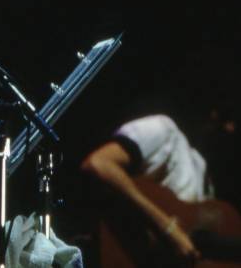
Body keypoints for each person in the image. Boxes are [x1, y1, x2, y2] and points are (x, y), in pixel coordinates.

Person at [81, 111, 238, 262]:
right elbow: (98, 163)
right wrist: (166, 227)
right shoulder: (164, 130)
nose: (230, 129)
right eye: (228, 120)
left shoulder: (205, 181)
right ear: (213, 116)